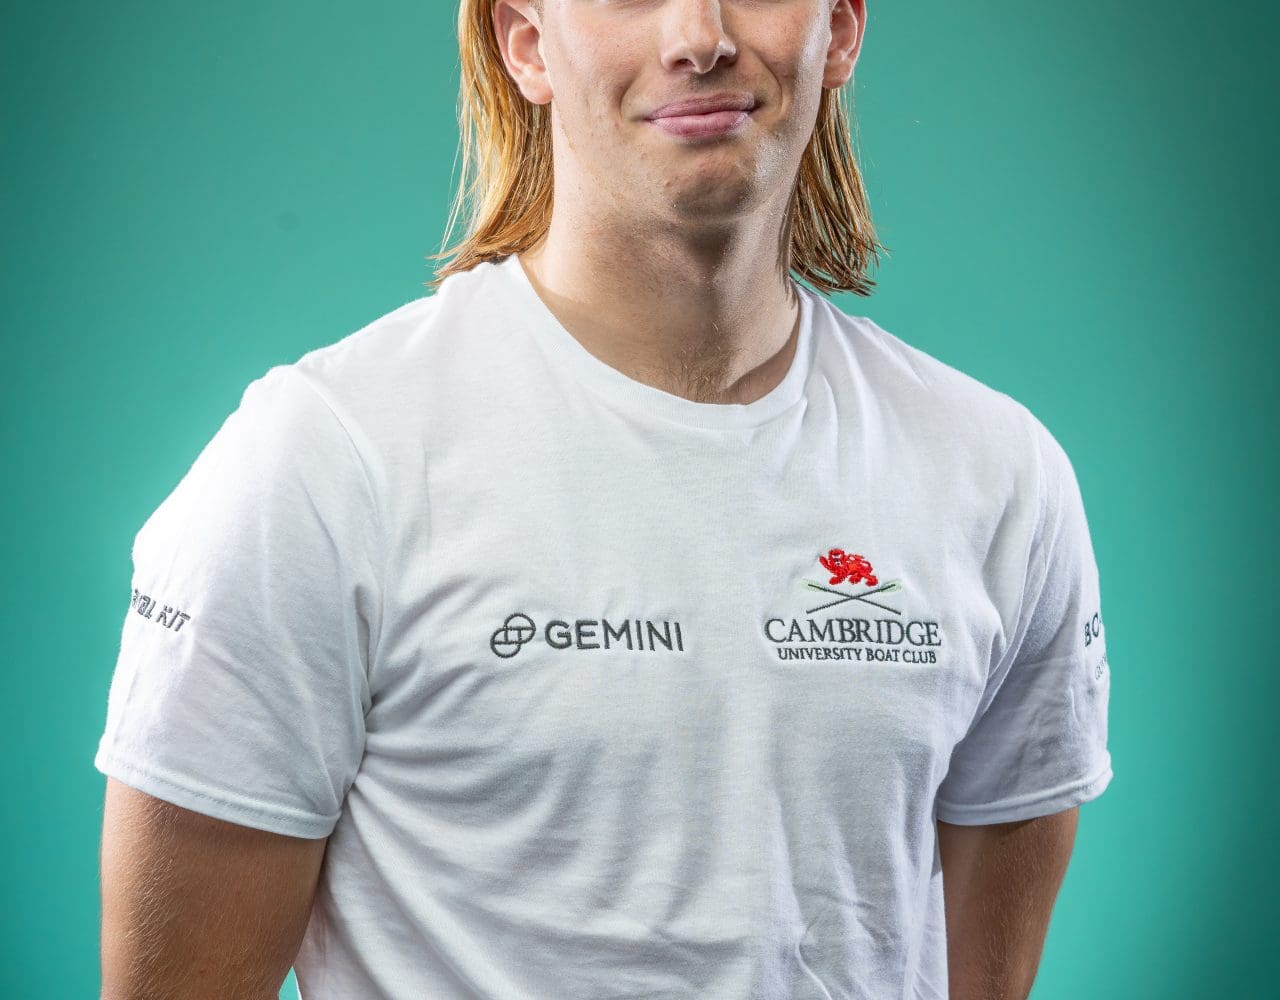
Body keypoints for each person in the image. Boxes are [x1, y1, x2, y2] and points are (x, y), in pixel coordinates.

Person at [94, 1, 1114, 998]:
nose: (700, 37)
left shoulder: (997, 474)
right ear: (525, 44)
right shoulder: (323, 460)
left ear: (839, 28)